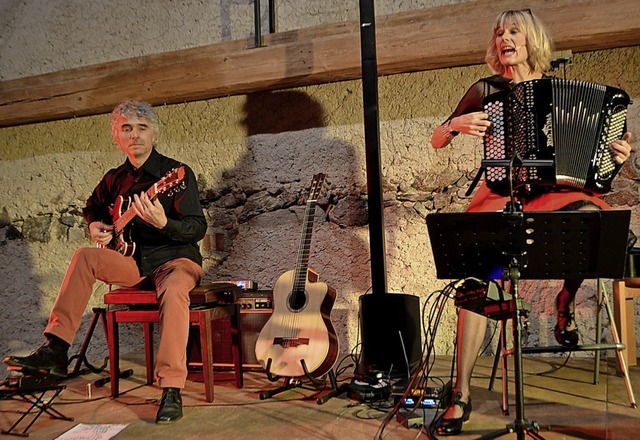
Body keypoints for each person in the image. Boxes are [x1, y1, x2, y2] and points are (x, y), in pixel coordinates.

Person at [430, 10, 633, 436]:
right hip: (502, 189)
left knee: (592, 220)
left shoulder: (564, 89)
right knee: (476, 270)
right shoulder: (487, 90)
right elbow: (437, 138)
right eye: (499, 32)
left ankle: (566, 302)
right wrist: (454, 125)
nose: (504, 38)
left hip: (559, 189)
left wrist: (616, 156)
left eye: (513, 31)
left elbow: (603, 159)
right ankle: (462, 393)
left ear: (531, 39)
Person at [3, 100, 207, 424]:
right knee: (85, 256)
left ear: (153, 133)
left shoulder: (176, 174)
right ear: (116, 136)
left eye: (142, 127)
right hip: (132, 263)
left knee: (174, 289)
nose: (135, 135)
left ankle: (170, 388)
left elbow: (197, 227)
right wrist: (94, 225)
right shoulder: (115, 179)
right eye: (127, 128)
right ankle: (56, 349)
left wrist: (162, 223)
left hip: (175, 260)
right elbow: (93, 207)